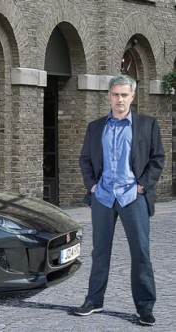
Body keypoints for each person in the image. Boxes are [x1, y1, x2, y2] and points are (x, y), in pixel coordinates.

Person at [75, 75, 165, 326]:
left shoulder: (147, 125)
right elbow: (85, 159)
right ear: (109, 96)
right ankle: (94, 300)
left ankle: (145, 307)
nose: (120, 99)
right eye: (115, 94)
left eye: (124, 95)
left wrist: (142, 187)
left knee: (141, 253)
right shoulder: (95, 127)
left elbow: (158, 159)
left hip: (132, 197)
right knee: (100, 252)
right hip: (103, 197)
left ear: (132, 97)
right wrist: (92, 185)